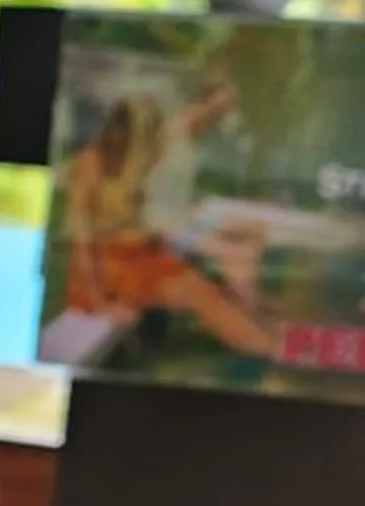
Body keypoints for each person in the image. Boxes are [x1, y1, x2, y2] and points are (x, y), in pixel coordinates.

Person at [62, 92, 281, 358]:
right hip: (114, 270)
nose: (156, 143)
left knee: (210, 290)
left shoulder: (135, 162)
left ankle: (271, 339)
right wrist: (100, 305)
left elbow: (138, 219)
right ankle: (271, 347)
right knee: (201, 295)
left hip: (145, 256)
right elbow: (82, 246)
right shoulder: (91, 165)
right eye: (152, 134)